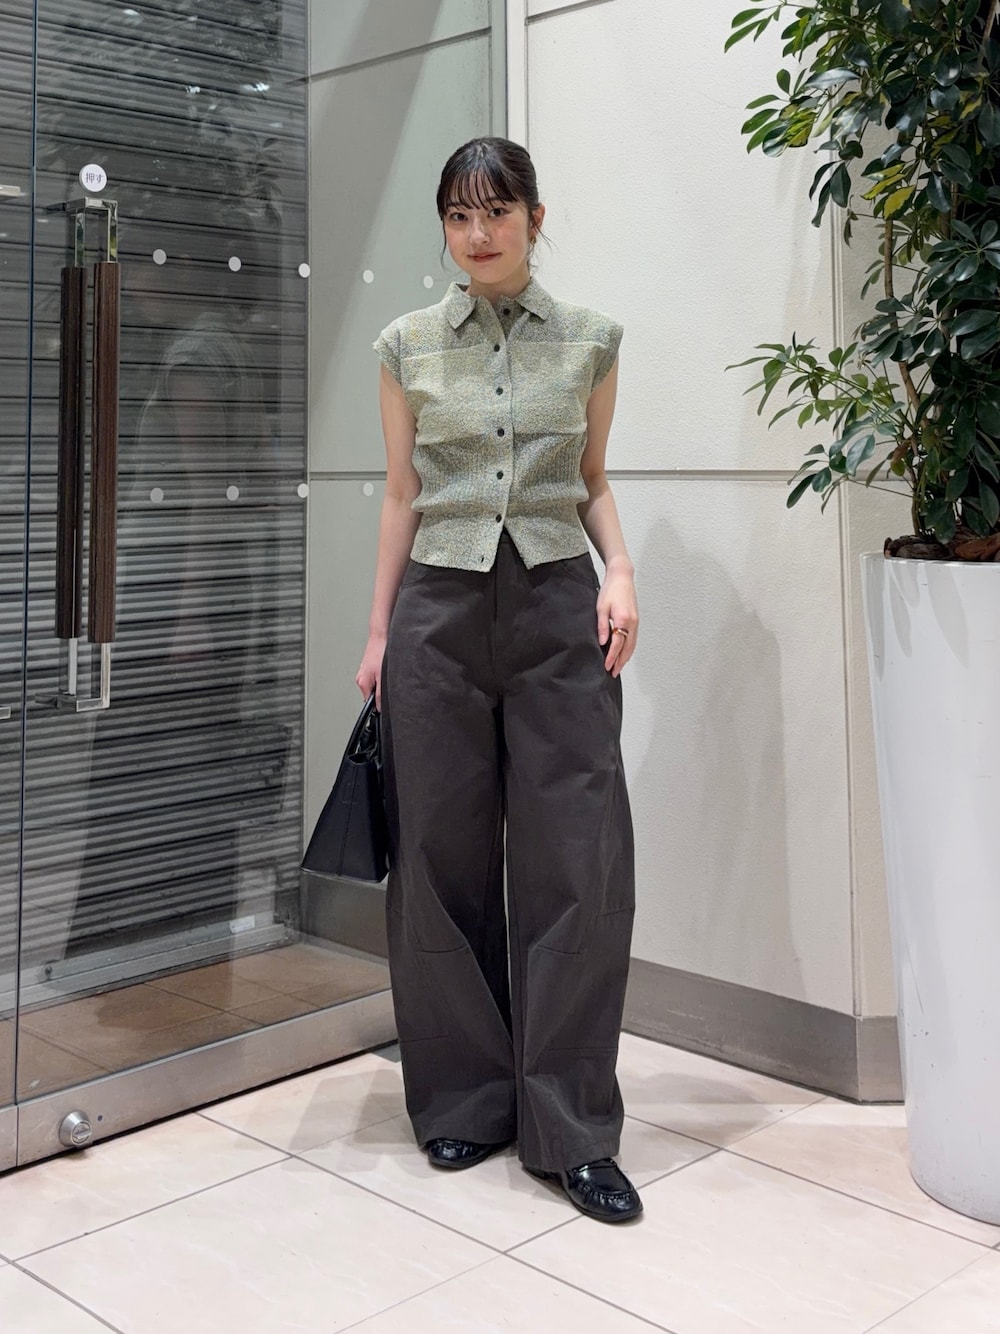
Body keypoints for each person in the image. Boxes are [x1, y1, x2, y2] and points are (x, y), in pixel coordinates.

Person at [356, 137, 641, 1224]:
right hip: (437, 610)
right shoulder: (405, 345)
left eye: (497, 212)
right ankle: (464, 1097)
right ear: (443, 225)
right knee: (438, 855)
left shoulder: (591, 340)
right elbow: (400, 493)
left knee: (576, 857)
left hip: (559, 606)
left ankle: (571, 1125)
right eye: (458, 215)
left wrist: (622, 571)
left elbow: (591, 477)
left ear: (534, 217)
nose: (477, 234)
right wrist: (378, 633)